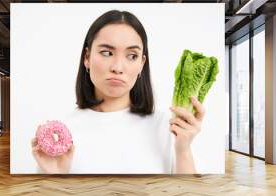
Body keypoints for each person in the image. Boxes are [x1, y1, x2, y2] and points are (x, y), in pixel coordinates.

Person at [31, 10, 205, 174]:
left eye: (132, 56)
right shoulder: (62, 133)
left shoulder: (170, 128)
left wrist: (183, 149)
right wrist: (56, 177)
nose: (117, 68)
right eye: (107, 53)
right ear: (87, 57)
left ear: (141, 64)